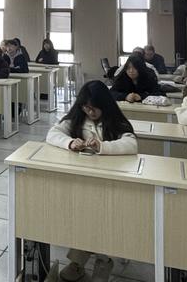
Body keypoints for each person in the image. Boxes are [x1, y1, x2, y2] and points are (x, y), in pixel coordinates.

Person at [46, 80, 136, 282]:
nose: (89, 112)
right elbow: (52, 134)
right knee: (83, 217)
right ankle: (78, 263)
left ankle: (102, 261)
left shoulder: (116, 121)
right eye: (86, 107)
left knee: (102, 219)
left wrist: (102, 146)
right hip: (82, 180)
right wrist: (70, 142)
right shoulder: (77, 118)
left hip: (111, 183)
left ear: (104, 104)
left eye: (93, 107)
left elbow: (131, 144)